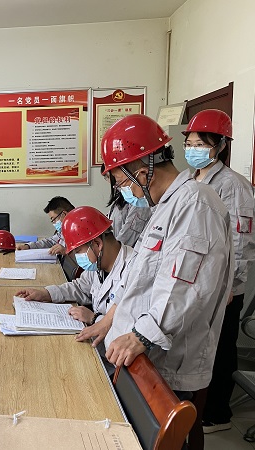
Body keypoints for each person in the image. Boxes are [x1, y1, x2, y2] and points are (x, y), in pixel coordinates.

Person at [101, 114, 233, 450]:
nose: (122, 190)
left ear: (143, 171)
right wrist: (113, 320)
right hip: (140, 356)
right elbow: (142, 277)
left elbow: (185, 287)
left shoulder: (196, 205)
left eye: (121, 181)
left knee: (164, 441)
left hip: (163, 361)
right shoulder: (165, 206)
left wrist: (141, 335)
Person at [181, 109, 255, 434]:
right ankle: (199, 404)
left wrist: (229, 285)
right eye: (189, 143)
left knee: (221, 348)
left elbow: (241, 242)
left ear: (221, 145)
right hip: (195, 281)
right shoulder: (189, 179)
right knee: (200, 348)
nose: (192, 149)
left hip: (224, 288)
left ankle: (218, 413)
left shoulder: (233, 186)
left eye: (200, 144)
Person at [16, 206, 133, 351]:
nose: (78, 257)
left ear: (97, 244)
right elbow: (80, 287)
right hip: (98, 344)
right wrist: (46, 294)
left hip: (116, 356)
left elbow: (130, 331)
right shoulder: (100, 262)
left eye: (78, 251)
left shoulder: (135, 271)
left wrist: (94, 318)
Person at [102, 163, 151, 248]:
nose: (109, 181)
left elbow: (130, 232)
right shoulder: (120, 198)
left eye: (108, 176)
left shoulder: (138, 200)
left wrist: (113, 249)